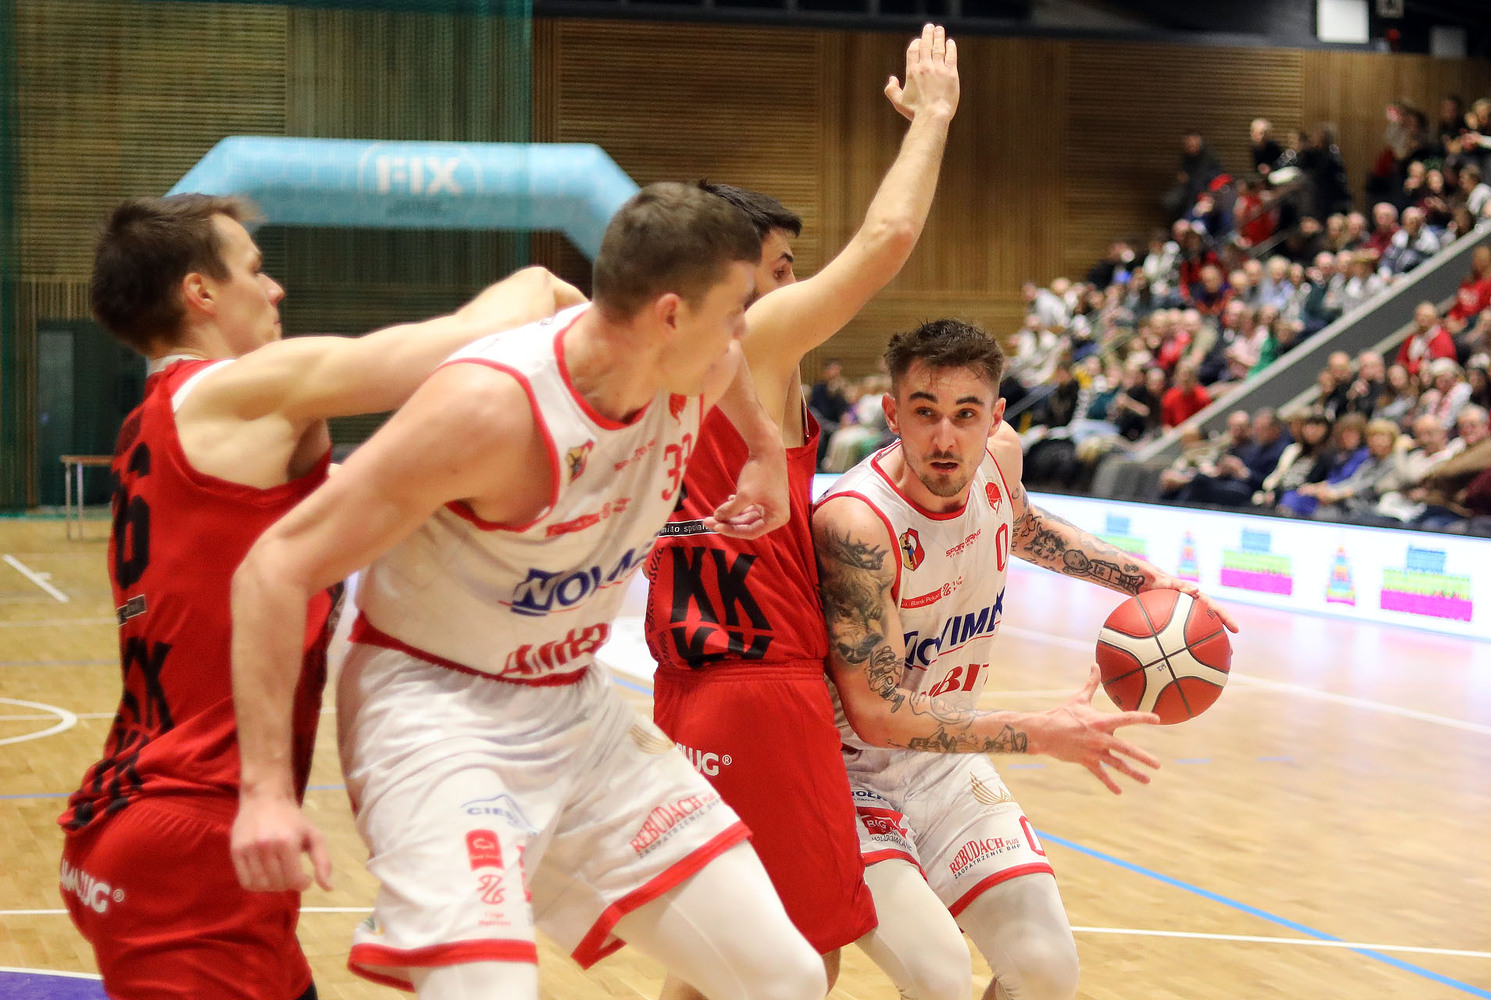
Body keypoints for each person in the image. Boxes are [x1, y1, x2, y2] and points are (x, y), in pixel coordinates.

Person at [228, 182, 830, 1000]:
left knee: (785, 978)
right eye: (733, 312)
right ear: (668, 315)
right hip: (439, 711)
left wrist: (762, 450)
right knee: (490, 989)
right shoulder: (489, 410)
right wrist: (264, 793)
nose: (743, 334)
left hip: (574, 707)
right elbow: (274, 567)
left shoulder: (695, 360)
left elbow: (723, 367)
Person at [56, 193, 583, 1000]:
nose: (275, 290)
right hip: (193, 838)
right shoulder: (239, 390)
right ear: (200, 292)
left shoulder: (152, 427)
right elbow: (455, 344)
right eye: (256, 270)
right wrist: (550, 285)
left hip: (149, 817)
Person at [643, 23, 960, 1000]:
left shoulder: (645, 357)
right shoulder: (750, 338)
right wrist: (934, 117)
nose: (794, 287)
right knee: (800, 957)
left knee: (724, 959)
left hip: (682, 687)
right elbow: (887, 240)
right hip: (763, 690)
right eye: (782, 266)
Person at [812, 319, 1238, 1000]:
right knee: (938, 975)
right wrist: (1038, 733)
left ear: (996, 417)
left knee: (1046, 972)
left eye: (966, 414)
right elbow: (877, 713)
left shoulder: (999, 459)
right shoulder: (856, 525)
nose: (945, 438)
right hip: (848, 777)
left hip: (943, 766)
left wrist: (1148, 582)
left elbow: (1025, 527)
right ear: (892, 413)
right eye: (924, 412)